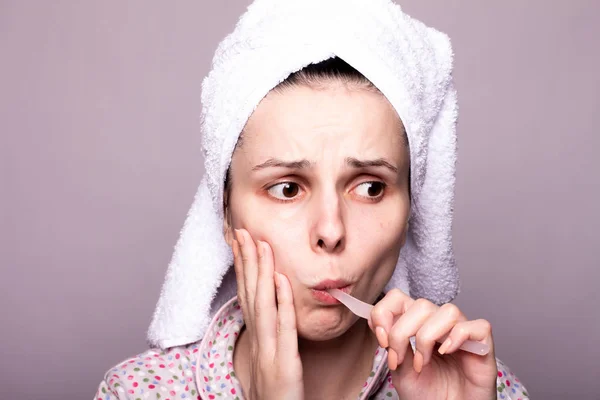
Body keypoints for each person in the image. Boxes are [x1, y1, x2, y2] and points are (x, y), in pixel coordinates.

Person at [95, 1, 530, 399]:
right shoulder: (135, 393)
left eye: (370, 187)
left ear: (411, 206)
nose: (331, 230)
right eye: (287, 188)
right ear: (225, 213)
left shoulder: (481, 390)